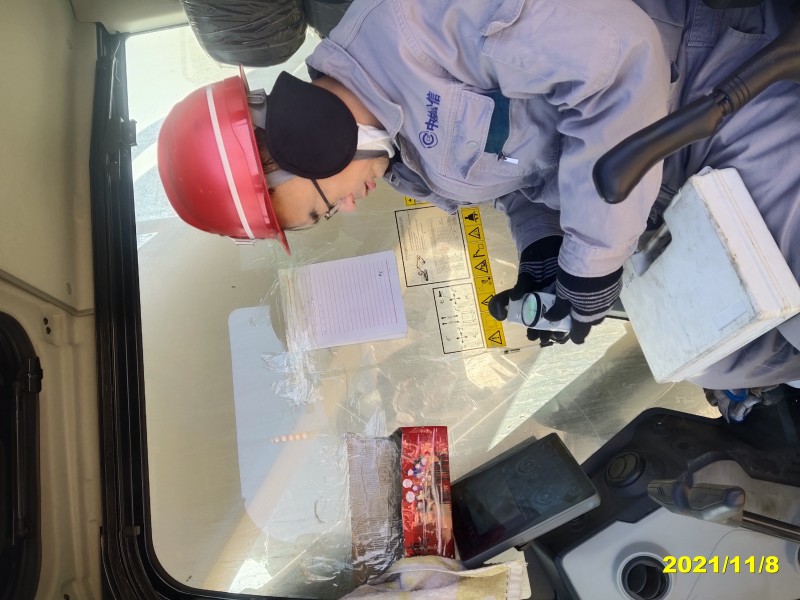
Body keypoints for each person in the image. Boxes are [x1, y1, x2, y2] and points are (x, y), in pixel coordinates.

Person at [158, 0, 800, 391]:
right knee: (723, 357)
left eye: (324, 206)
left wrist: (591, 263)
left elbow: (620, 58)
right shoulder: (396, 158)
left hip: (712, 83)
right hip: (667, 173)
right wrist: (545, 248)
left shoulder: (417, 25)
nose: (348, 208)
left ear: (296, 146)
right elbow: (520, 175)